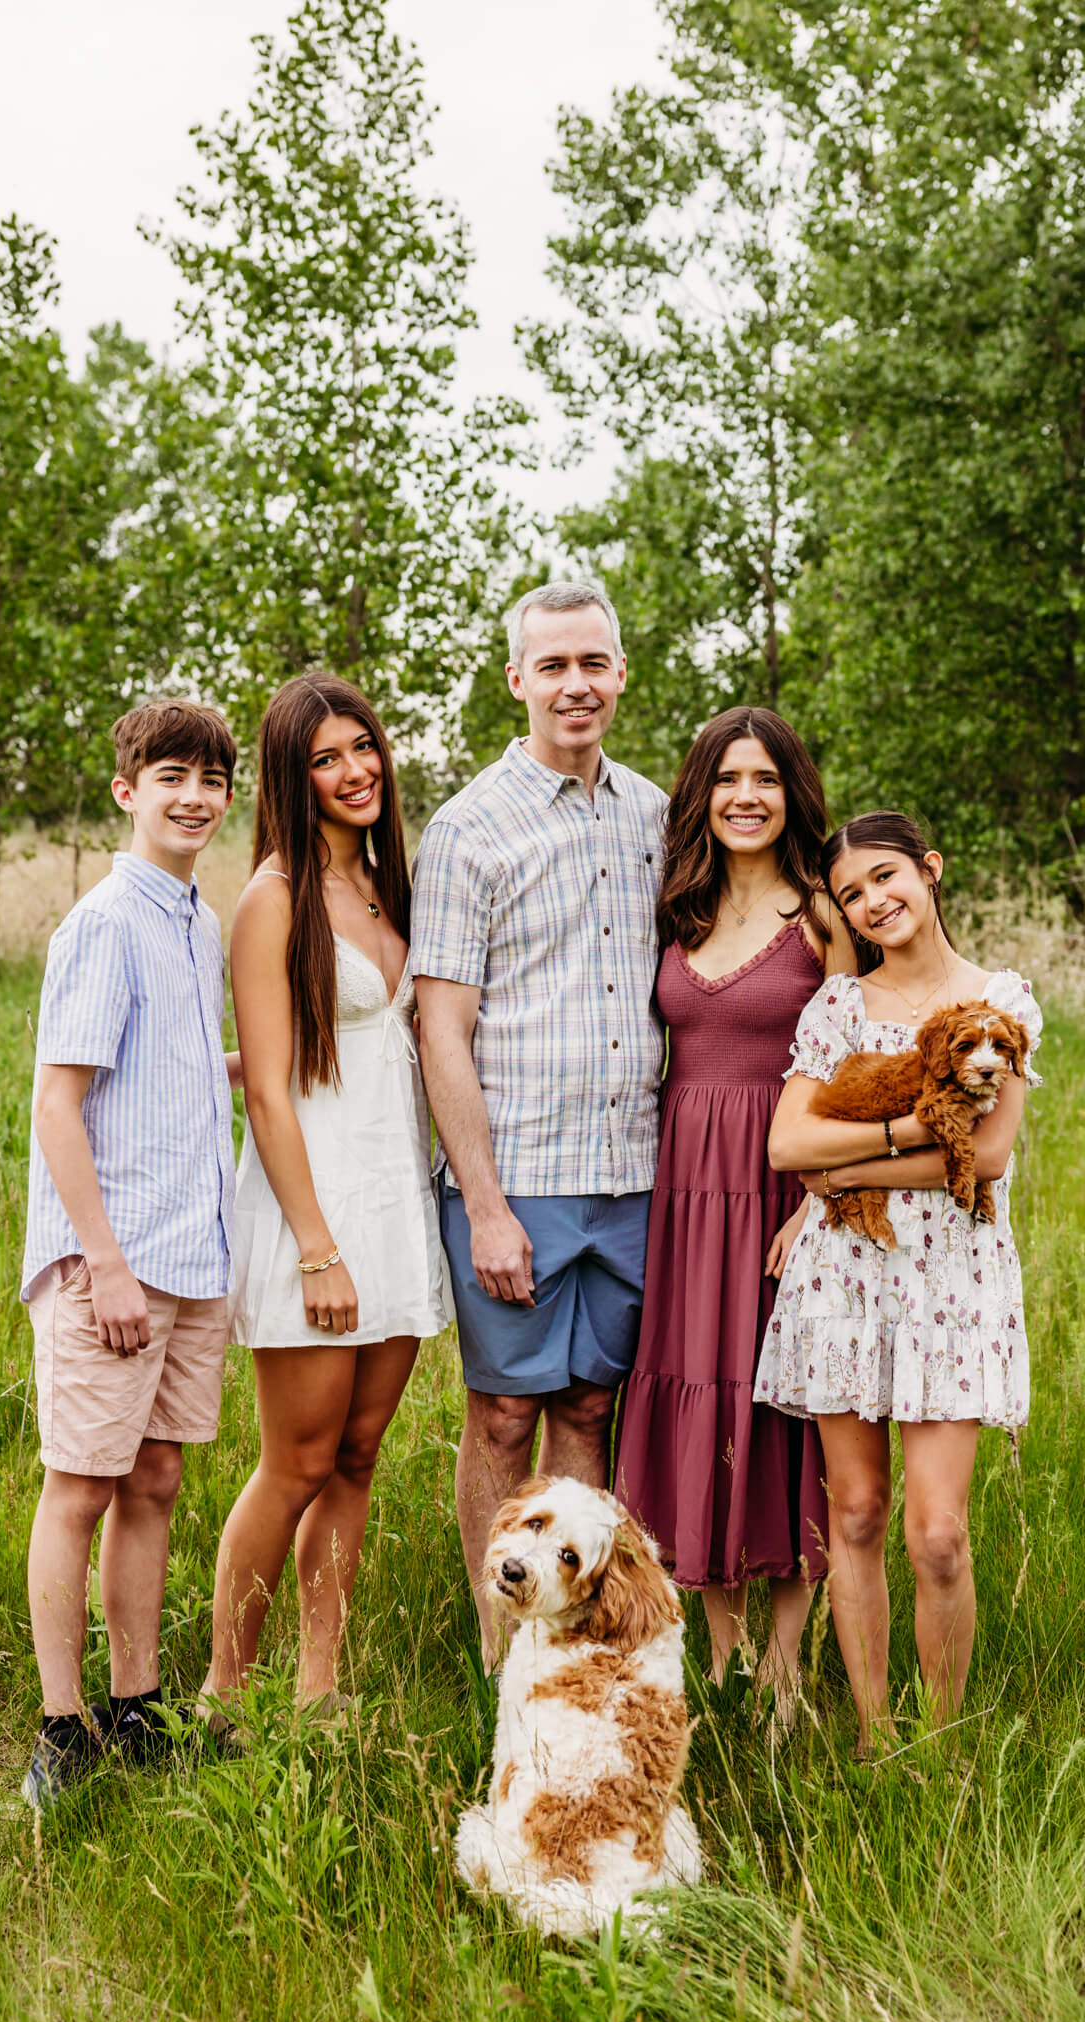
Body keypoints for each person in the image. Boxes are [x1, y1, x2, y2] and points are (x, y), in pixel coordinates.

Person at [412, 581, 665, 1671]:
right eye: (553, 664)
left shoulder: (658, 813)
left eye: (594, 662)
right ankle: (496, 1653)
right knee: (505, 1412)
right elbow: (442, 1027)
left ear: (619, 674)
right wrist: (486, 1206)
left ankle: (575, 1644)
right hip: (520, 1175)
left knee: (589, 1406)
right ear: (516, 679)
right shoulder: (470, 828)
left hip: (632, 1173)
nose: (577, 683)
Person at [755, 812, 1042, 1755]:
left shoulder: (999, 1002)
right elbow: (789, 1144)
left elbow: (988, 1159)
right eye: (851, 894)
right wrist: (908, 1134)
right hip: (846, 1274)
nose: (874, 902)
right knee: (855, 1510)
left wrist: (848, 1171)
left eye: (886, 878)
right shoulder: (837, 1008)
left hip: (954, 1282)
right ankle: (881, 1741)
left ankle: (944, 1741)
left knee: (938, 1533)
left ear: (928, 870)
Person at [202, 673, 450, 1720]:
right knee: (296, 1458)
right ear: (291, 778)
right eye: (325, 758)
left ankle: (319, 1684)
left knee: (357, 1451)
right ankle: (223, 1690)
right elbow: (265, 1086)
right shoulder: (274, 898)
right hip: (316, 1212)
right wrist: (315, 1244)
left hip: (397, 1201)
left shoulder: (396, 888)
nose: (354, 771)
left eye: (364, 748)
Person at [20, 698, 238, 1809]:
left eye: (210, 777)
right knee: (82, 1486)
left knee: (155, 1478)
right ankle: (62, 1727)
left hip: (193, 1254)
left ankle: (136, 1706)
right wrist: (102, 1263)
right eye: (171, 775)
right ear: (127, 789)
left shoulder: (199, 920)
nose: (193, 795)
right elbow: (61, 1105)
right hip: (117, 1255)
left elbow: (170, 1068)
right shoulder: (107, 920)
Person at [613, 708, 854, 1709]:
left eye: (764, 778)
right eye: (726, 779)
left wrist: (826, 1202)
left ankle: (789, 1660)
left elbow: (857, 1061)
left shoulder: (824, 912)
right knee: (696, 1385)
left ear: (791, 791)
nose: (745, 796)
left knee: (783, 1405)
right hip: (685, 1189)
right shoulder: (678, 902)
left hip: (783, 1184)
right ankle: (721, 1652)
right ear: (701, 795)